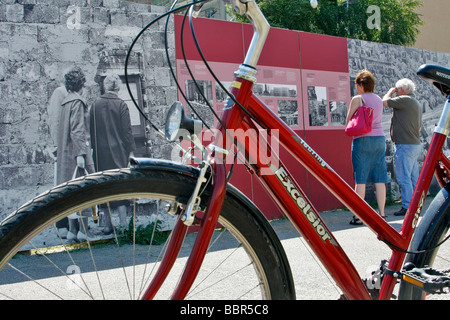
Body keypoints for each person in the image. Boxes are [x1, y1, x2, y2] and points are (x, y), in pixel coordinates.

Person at [90, 74, 136, 233]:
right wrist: (130, 151)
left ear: (105, 86)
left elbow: (92, 131)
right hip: (119, 151)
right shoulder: (121, 105)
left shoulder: (95, 104)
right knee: (120, 185)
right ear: (118, 87)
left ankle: (108, 225)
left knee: (104, 185)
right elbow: (127, 131)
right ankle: (123, 225)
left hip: (100, 152)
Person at [57, 67, 96, 242]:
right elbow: (78, 130)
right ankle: (84, 232)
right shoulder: (78, 102)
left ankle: (72, 231)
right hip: (77, 152)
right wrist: (81, 154)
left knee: (70, 192)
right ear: (81, 85)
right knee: (84, 190)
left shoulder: (65, 102)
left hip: (65, 154)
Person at [346, 69, 389, 225]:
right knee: (379, 177)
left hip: (362, 139)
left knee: (361, 178)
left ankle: (358, 216)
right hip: (379, 139)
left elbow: (348, 120)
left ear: (360, 85)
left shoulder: (358, 99)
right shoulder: (378, 99)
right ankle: (382, 214)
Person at [383, 78, 422, 216]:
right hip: (414, 144)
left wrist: (390, 91)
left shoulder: (405, 99)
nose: (397, 92)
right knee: (412, 178)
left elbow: (384, 101)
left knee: (404, 177)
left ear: (403, 89)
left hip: (405, 145)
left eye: (398, 89)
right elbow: (419, 126)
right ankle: (415, 206)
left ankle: (407, 207)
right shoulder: (416, 102)